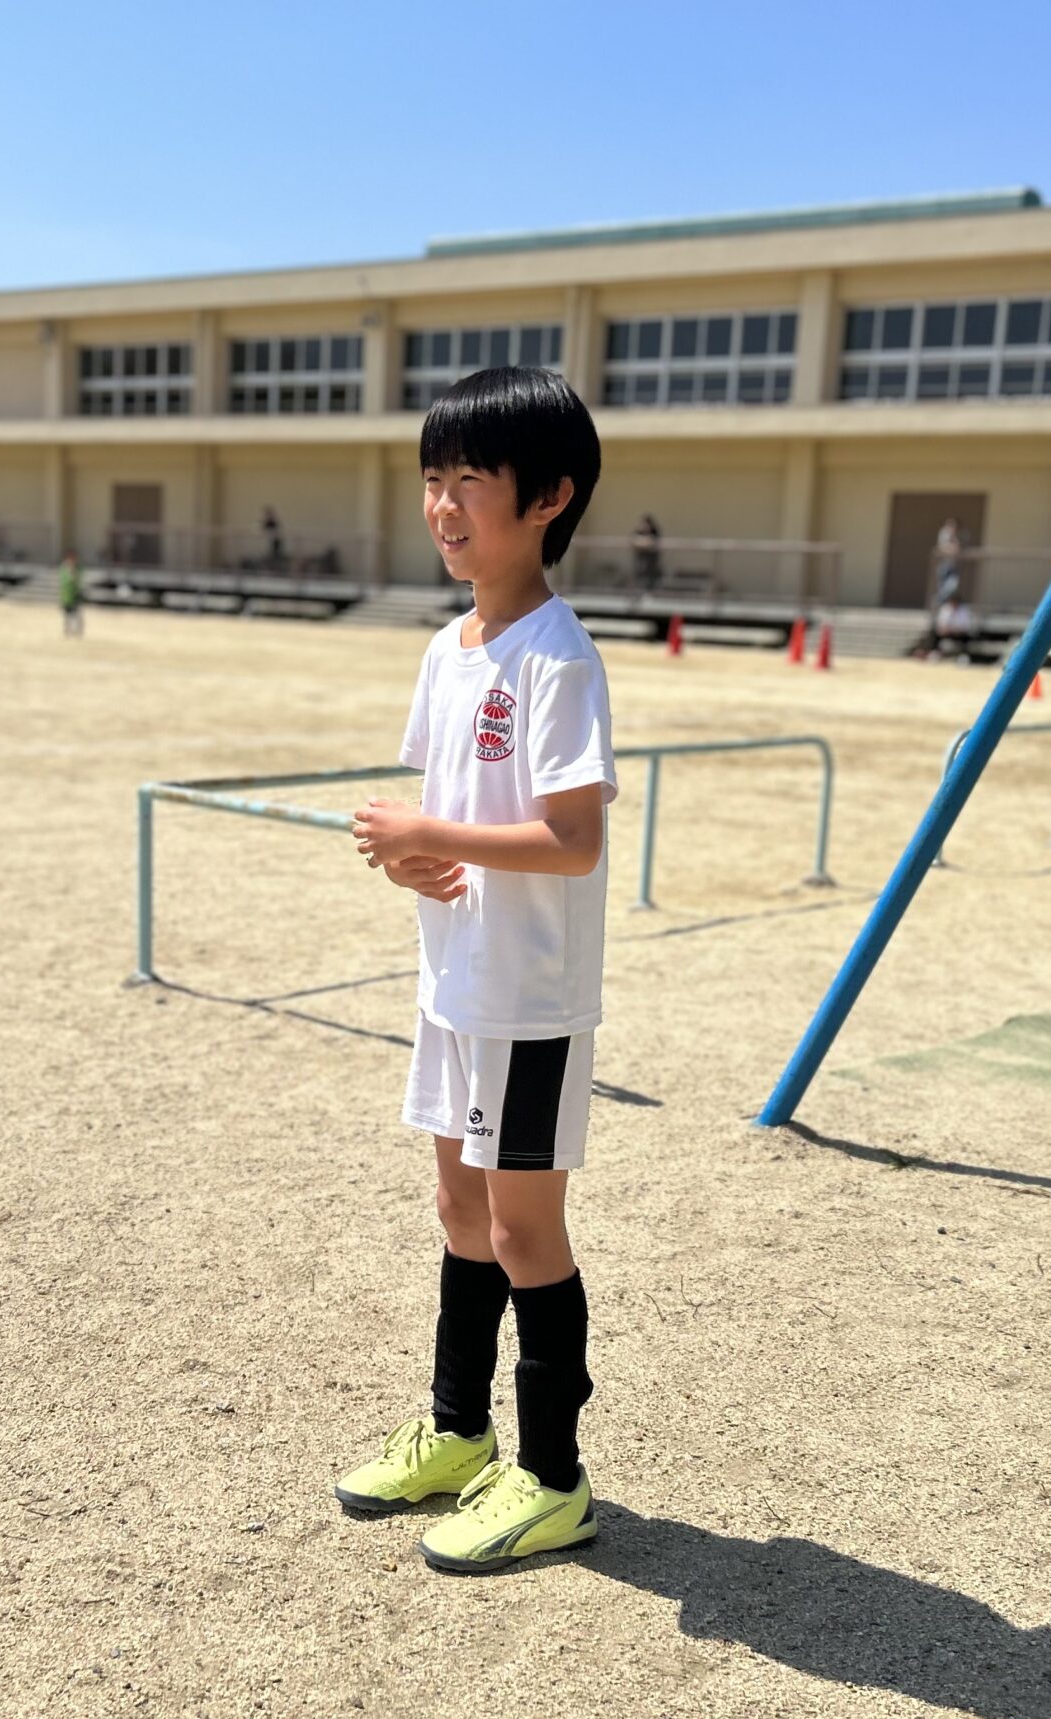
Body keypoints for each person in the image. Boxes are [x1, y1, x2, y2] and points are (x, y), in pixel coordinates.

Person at [339, 364, 611, 1575]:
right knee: (459, 1214)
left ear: (548, 498)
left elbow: (571, 838)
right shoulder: (450, 648)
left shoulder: (557, 656)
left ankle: (552, 1479)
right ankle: (457, 1434)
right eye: (431, 480)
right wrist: (410, 860)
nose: (444, 506)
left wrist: (428, 832)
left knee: (521, 1230)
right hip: (453, 981)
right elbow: (450, 819)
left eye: (470, 482)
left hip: (528, 997)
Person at [630, 513, 662, 593]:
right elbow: (633, 539)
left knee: (650, 575)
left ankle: (650, 590)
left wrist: (647, 541)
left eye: (646, 524)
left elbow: (655, 541)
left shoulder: (654, 531)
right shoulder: (639, 531)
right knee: (639, 572)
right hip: (641, 557)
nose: (645, 526)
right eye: (643, 524)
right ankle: (638, 590)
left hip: (651, 558)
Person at [57, 550, 84, 636]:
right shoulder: (63, 569)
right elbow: (63, 582)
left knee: (76, 615)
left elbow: (77, 580)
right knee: (67, 615)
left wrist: (73, 572)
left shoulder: (78, 568)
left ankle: (77, 631)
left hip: (75, 595)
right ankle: (68, 630)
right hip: (66, 596)